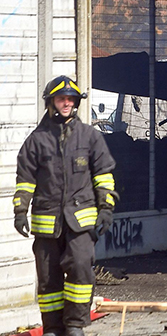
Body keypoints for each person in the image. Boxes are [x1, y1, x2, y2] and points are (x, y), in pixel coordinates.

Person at [12, 76, 117, 336]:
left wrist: (106, 209)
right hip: (47, 224)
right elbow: (25, 180)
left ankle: (75, 325)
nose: (67, 103)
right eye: (62, 99)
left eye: (71, 99)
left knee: (81, 269)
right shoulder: (36, 141)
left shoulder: (90, 137)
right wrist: (20, 211)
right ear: (51, 103)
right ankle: (53, 328)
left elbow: (104, 174)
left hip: (81, 223)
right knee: (49, 279)